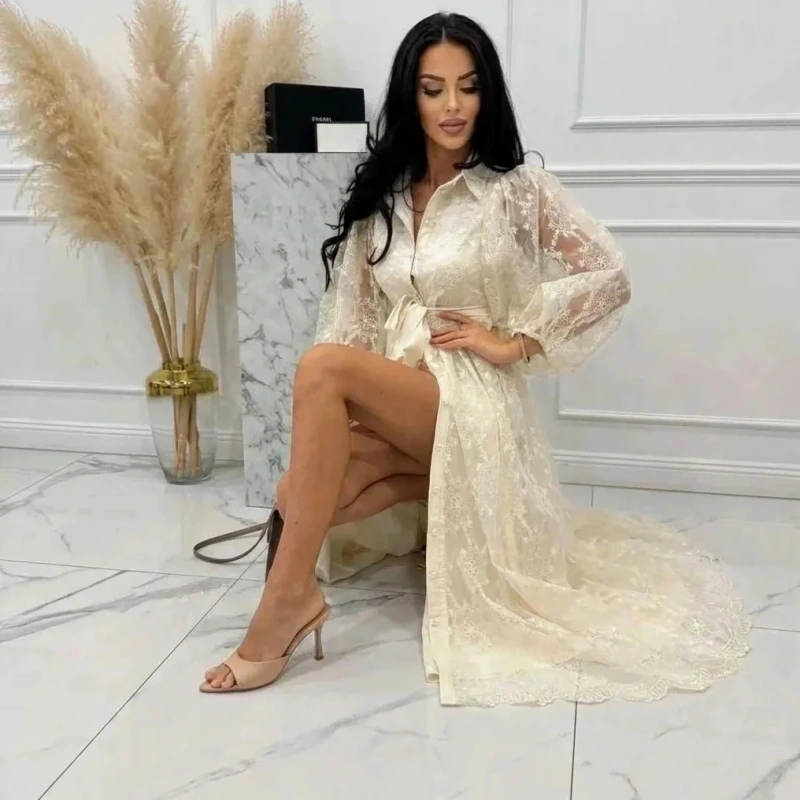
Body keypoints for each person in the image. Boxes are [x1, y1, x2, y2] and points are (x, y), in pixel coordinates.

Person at [201, 12, 750, 705]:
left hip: (473, 396)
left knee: (320, 367)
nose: (453, 106)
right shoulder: (382, 197)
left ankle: (283, 605)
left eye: (468, 87)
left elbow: (609, 276)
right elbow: (352, 320)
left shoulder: (515, 190)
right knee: (298, 493)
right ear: (411, 98)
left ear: (487, 93)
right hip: (407, 402)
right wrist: (353, 420)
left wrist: (515, 341)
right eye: (434, 89)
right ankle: (442, 486)